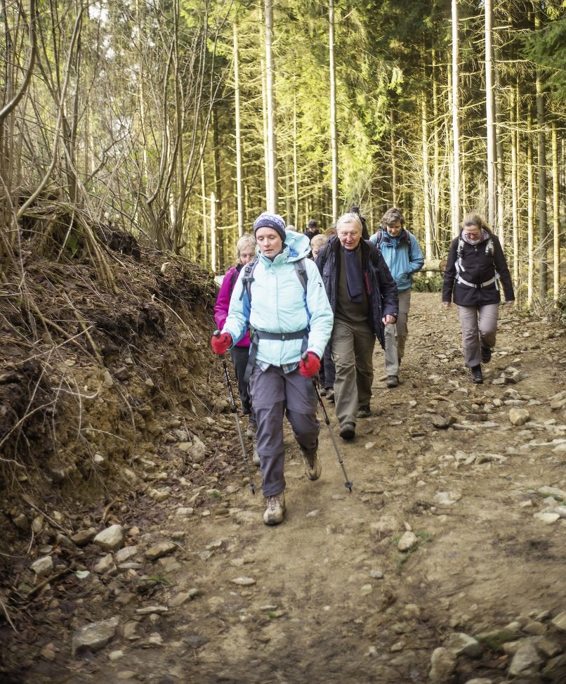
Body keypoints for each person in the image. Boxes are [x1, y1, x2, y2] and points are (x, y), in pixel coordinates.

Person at [211, 212, 333, 526]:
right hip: (263, 360)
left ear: (282, 238)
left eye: (271, 237)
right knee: (267, 428)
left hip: (299, 359)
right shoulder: (249, 273)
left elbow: (321, 315)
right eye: (261, 238)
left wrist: (314, 352)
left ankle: (310, 449)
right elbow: (238, 314)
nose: (266, 243)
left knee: (304, 420)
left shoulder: (304, 268)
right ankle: (273, 495)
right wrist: (228, 334)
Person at [316, 212, 398, 441]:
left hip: (365, 319)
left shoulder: (371, 252)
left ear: (361, 234)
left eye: (353, 233)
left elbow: (388, 285)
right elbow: (313, 285)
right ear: (337, 232)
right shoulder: (327, 253)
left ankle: (363, 402)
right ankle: (347, 419)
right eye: (344, 233)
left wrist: (390, 311)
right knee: (343, 365)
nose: (348, 238)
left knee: (364, 367)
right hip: (339, 319)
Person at [442, 212, 515, 384]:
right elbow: (450, 271)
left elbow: (503, 268)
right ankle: (475, 367)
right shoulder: (457, 243)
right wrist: (446, 296)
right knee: (469, 332)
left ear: (481, 228)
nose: (471, 236)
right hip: (465, 292)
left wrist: (509, 295)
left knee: (487, 330)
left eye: (474, 232)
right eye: (468, 233)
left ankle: (486, 346)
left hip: (489, 291)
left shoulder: (492, 241)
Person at [370, 207, 425, 387]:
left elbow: (418, 260)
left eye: (396, 226)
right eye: (390, 227)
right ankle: (392, 372)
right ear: (384, 225)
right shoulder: (375, 240)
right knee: (389, 328)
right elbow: (366, 261)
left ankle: (397, 356)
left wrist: (404, 270)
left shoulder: (409, 239)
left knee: (400, 329)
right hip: (382, 291)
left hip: (402, 289)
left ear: (402, 225)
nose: (393, 230)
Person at [213, 234, 257, 440]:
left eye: (251, 255)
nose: (247, 259)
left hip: (261, 339)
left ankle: (259, 422)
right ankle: (249, 413)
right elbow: (221, 306)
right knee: (243, 380)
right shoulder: (231, 276)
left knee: (260, 380)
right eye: (243, 255)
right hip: (238, 340)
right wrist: (226, 329)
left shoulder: (264, 273)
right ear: (238, 256)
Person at [310, 233, 335, 400]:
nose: (317, 254)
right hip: (314, 313)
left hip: (329, 310)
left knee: (329, 349)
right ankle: (322, 381)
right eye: (315, 251)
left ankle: (329, 383)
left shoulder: (331, 265)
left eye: (320, 251)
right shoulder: (307, 267)